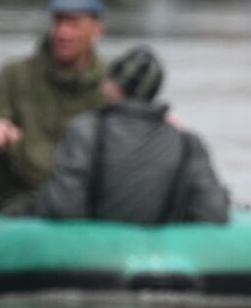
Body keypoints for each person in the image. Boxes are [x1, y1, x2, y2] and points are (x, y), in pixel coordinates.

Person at [29, 45, 230, 224]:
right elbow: (213, 212)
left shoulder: (85, 131)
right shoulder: (187, 142)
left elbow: (60, 207)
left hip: (90, 259)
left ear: (113, 86)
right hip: (162, 257)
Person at [0, 0, 108, 213]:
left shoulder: (112, 85)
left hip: (90, 201)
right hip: (25, 196)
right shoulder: (16, 77)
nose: (63, 33)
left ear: (96, 30)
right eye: (58, 22)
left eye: (74, 24)